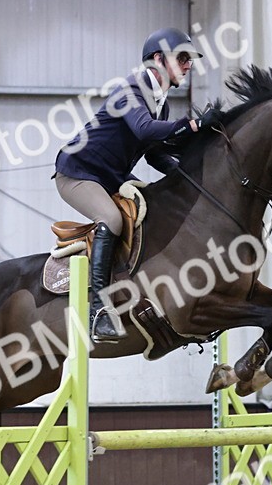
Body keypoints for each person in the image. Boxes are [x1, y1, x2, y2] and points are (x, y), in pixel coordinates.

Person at [54, 27, 206, 342]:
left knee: (156, 205)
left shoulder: (160, 104)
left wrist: (188, 180)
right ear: (157, 59)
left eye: (189, 60)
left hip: (110, 177)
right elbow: (145, 130)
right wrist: (192, 125)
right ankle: (99, 310)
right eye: (182, 59)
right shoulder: (130, 88)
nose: (188, 66)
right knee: (110, 218)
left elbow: (155, 156)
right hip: (78, 172)